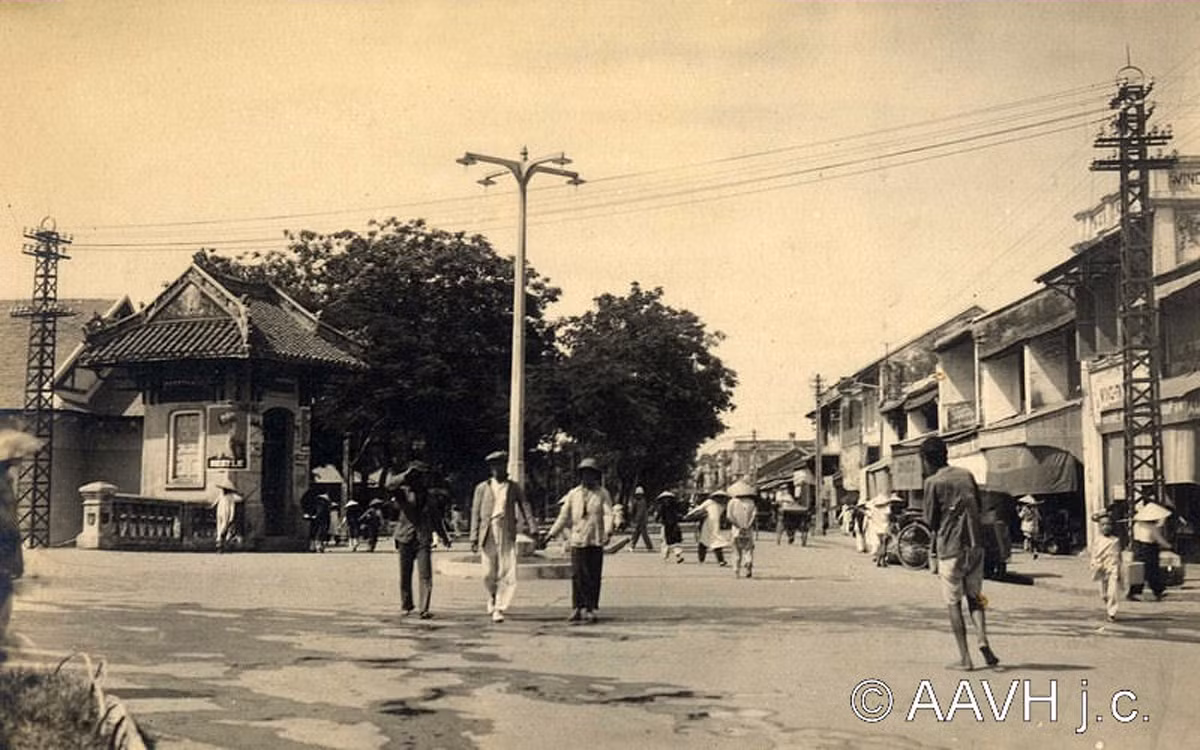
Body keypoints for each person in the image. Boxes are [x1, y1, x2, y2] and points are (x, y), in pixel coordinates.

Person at [921, 436, 1000, 672]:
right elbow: (979, 504)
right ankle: (983, 639)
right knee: (975, 597)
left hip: (950, 548)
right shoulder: (966, 475)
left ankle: (965, 658)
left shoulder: (932, 483)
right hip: (975, 545)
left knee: (953, 603)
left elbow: (930, 520)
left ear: (926, 460)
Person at [544, 457, 615, 624]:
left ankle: (590, 608)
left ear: (595, 476)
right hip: (577, 539)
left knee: (592, 575)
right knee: (577, 575)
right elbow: (563, 516)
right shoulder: (573, 494)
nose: (587, 477)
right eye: (584, 474)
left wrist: (608, 531)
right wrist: (551, 534)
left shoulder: (602, 493)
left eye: (590, 474)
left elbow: (608, 513)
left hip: (595, 539)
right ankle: (576, 607)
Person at [469, 450, 536, 623]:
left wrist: (532, 526)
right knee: (487, 571)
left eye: (500, 464)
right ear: (490, 468)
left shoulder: (513, 487)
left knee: (507, 570)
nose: (497, 469)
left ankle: (499, 607)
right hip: (488, 530)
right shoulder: (482, 488)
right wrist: (473, 536)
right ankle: (492, 595)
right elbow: (475, 512)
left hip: (506, 529)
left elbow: (524, 505)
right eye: (493, 465)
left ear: (505, 466)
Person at [388, 461, 452, 619]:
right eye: (417, 476)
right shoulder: (403, 493)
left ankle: (424, 608)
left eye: (423, 476)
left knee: (425, 574)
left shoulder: (430, 497)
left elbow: (437, 519)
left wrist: (444, 537)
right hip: (405, 537)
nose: (421, 479)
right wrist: (404, 475)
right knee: (405, 574)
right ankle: (406, 605)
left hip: (423, 538)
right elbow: (389, 485)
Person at [0, 429, 41, 657]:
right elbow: (6, 525)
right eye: (18, 456)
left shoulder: (6, 481)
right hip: (2, 554)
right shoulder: (1, 484)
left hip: (6, 555)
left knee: (4, 612)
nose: (21, 460)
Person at [1127, 500, 1173, 602]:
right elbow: (1160, 540)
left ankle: (1134, 592)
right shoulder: (1153, 528)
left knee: (1138, 571)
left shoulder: (1137, 525)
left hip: (1138, 548)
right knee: (1152, 571)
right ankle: (1158, 591)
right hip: (1150, 550)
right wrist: (1169, 546)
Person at [1089, 511, 1123, 623]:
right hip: (1101, 567)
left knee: (1112, 591)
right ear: (1099, 527)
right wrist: (1093, 564)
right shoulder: (1097, 540)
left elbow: (1119, 555)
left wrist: (1120, 568)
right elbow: (1094, 554)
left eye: (1108, 524)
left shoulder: (1115, 540)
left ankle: (1111, 613)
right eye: (1103, 525)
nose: (1106, 527)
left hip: (1113, 567)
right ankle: (1107, 602)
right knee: (1103, 593)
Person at [685, 490, 731, 566]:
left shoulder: (721, 505)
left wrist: (689, 514)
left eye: (721, 497)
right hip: (709, 524)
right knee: (707, 541)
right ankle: (705, 560)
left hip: (714, 524)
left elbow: (699, 509)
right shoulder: (712, 503)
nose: (720, 499)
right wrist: (689, 514)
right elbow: (699, 509)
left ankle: (718, 560)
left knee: (712, 542)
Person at [726, 480, 758, 578]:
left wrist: (738, 525)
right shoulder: (751, 502)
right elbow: (754, 516)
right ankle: (748, 562)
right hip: (748, 531)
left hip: (736, 530)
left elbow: (729, 517)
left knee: (736, 551)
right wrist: (747, 525)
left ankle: (736, 571)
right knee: (748, 550)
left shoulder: (732, 502)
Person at [210, 477, 242, 553]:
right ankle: (219, 539)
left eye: (225, 489)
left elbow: (232, 506)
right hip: (219, 511)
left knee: (224, 526)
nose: (223, 490)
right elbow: (216, 501)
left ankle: (220, 539)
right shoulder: (221, 494)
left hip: (226, 512)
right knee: (219, 525)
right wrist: (212, 505)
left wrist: (231, 516)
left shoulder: (231, 497)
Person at [300, 477, 332, 553]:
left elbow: (304, 502)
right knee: (320, 532)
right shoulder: (323, 501)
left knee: (314, 531)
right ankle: (318, 546)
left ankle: (313, 547)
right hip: (321, 518)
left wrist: (308, 513)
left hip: (314, 517)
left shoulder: (311, 496)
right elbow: (322, 511)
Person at [656, 490, 685, 563]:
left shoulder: (663, 507)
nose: (666, 500)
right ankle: (676, 556)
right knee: (674, 542)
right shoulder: (674, 506)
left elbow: (658, 516)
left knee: (666, 541)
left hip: (667, 526)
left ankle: (666, 557)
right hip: (673, 526)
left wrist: (657, 519)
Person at [866, 492, 893, 567]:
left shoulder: (874, 510)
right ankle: (882, 560)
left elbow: (869, 516)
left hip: (876, 529)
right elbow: (889, 516)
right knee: (884, 545)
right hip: (885, 528)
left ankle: (879, 560)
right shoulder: (886, 509)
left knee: (881, 545)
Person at [627, 486, 655, 552]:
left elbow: (638, 512)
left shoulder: (640, 501)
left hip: (640, 520)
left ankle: (648, 547)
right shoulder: (640, 501)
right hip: (640, 520)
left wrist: (634, 519)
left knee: (639, 534)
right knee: (637, 534)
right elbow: (633, 511)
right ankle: (634, 546)